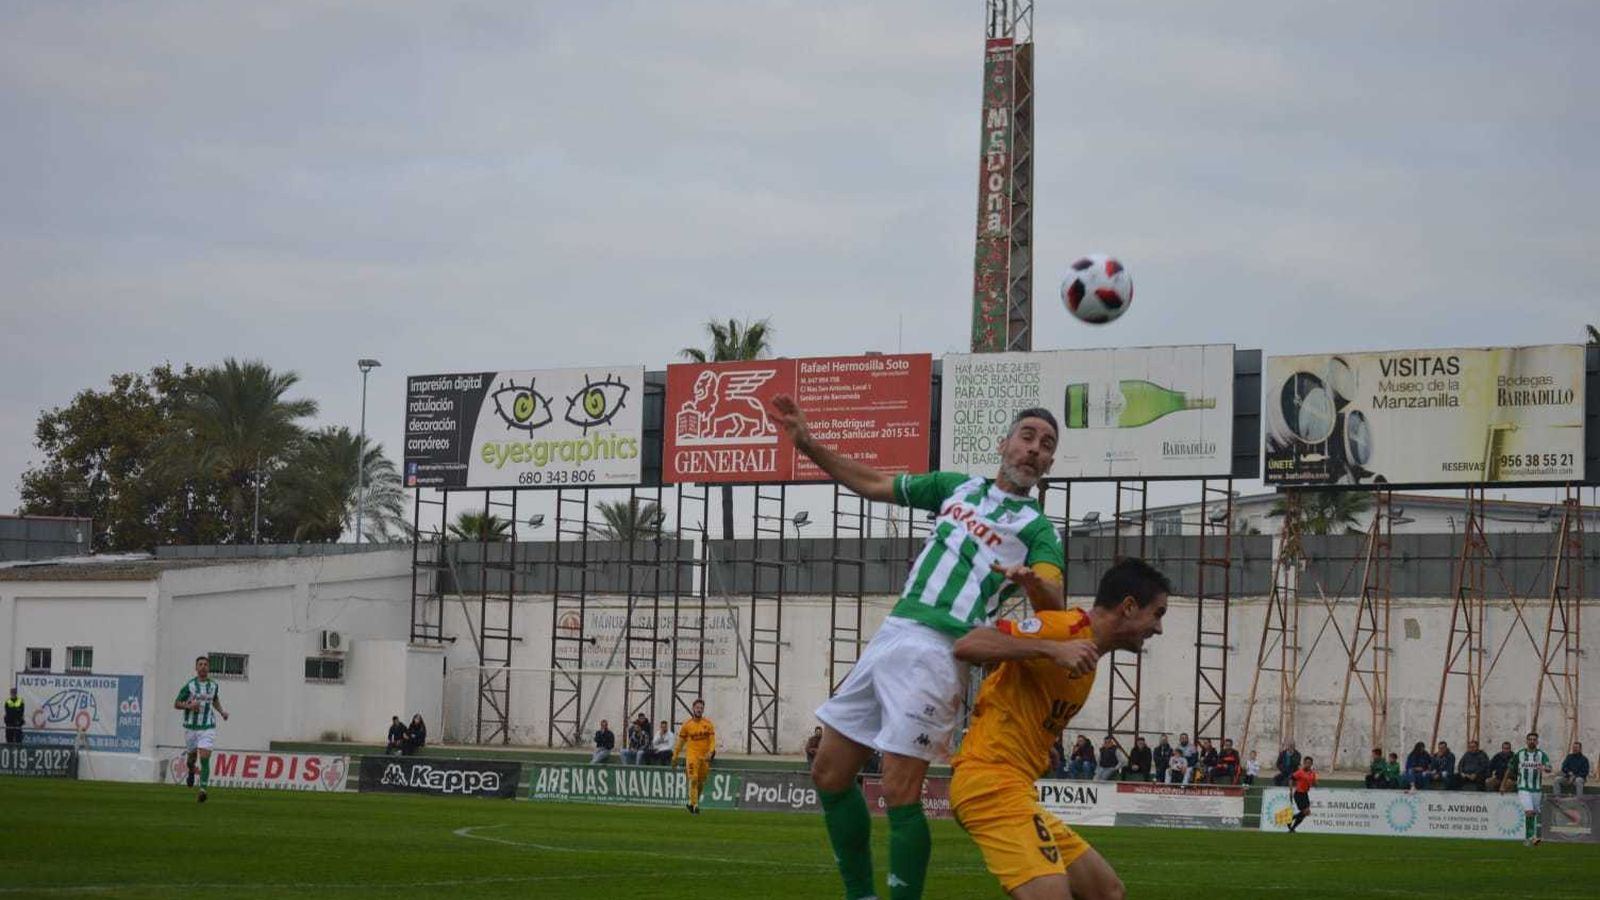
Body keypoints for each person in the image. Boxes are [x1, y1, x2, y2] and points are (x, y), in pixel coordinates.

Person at [769, 394, 1068, 900]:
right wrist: (808, 444)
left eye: (1047, 444)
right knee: (829, 773)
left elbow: (1053, 599)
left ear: (1050, 464)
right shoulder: (956, 488)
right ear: (1004, 444)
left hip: (941, 650)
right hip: (893, 633)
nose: (1035, 448)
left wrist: (1035, 585)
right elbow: (873, 483)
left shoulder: (1039, 530)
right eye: (1028, 436)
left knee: (899, 790)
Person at [948, 557, 1170, 900]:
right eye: (1157, 614)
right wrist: (1051, 648)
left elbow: (1027, 699)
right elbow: (968, 644)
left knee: (1107, 892)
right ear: (1128, 607)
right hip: (989, 782)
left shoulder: (1086, 657)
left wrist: (1043, 744)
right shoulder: (1064, 630)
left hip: (1017, 788)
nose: (1159, 628)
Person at [174, 654, 229, 803]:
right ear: (196, 668)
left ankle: (203, 790)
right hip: (191, 727)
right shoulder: (190, 686)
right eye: (200, 664)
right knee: (192, 759)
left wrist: (222, 712)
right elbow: (176, 703)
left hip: (207, 726)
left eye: (205, 664)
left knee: (205, 757)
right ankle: (191, 770)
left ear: (208, 668)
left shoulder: (213, 685)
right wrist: (189, 706)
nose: (203, 667)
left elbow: (214, 699)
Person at [671, 699, 716, 814]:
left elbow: (712, 741)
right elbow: (680, 743)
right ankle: (695, 806)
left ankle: (691, 803)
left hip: (704, 758)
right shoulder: (687, 725)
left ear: (703, 710)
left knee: (701, 783)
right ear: (693, 709)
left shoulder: (708, 724)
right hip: (692, 756)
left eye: (701, 708)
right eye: (697, 708)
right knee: (693, 779)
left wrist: (711, 752)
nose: (699, 710)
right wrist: (675, 755)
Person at [1514, 731, 1553, 846]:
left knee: (1533, 813)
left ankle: (1528, 838)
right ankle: (1532, 837)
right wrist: (1504, 784)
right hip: (1523, 787)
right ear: (1526, 741)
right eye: (1530, 739)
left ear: (1537, 742)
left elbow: (1549, 768)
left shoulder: (1541, 755)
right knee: (1529, 811)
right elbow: (1510, 767)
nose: (1532, 741)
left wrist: (1545, 768)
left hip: (1536, 789)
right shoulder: (1520, 754)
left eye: (1534, 740)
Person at [1287, 757, 1318, 833]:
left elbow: (1314, 783)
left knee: (1306, 813)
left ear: (1311, 764)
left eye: (1309, 763)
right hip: (1298, 794)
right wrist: (1290, 790)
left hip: (1305, 794)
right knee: (1306, 811)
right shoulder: (1300, 772)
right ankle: (1290, 820)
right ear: (1304, 763)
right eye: (1306, 762)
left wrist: (1316, 783)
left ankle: (1292, 828)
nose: (1308, 764)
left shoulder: (1312, 773)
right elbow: (1291, 778)